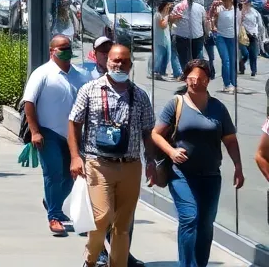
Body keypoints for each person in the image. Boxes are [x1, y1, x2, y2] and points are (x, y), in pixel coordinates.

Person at [67, 42, 156, 267]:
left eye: (124, 61)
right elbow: (74, 123)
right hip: (99, 164)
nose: (119, 64)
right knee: (101, 217)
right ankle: (91, 260)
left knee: (123, 226)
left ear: (131, 65)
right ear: (107, 62)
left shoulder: (140, 95)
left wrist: (152, 161)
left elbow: (148, 131)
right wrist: (75, 157)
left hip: (130, 165)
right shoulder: (90, 89)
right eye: (115, 60)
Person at [150, 59, 243, 267]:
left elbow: (230, 140)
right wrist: (171, 152)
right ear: (185, 78)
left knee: (205, 225)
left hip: (211, 175)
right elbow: (156, 134)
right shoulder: (176, 103)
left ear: (208, 81)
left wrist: (238, 167)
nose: (195, 82)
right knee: (189, 218)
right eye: (191, 78)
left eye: (200, 79)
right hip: (181, 174)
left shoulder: (218, 108)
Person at [20, 33, 89, 236]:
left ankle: (53, 201)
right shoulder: (42, 74)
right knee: (53, 174)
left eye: (68, 47)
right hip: (48, 133)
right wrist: (35, 132)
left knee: (72, 174)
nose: (66, 51)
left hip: (74, 135)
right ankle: (54, 216)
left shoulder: (80, 75)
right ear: (52, 51)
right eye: (62, 48)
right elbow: (29, 103)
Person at [208, 0, 239, 92]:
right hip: (221, 36)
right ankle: (227, 84)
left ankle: (234, 83)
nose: (226, 0)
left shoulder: (236, 10)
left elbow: (239, 23)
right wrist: (214, 24)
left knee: (233, 61)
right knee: (226, 61)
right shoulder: (219, 9)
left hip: (232, 37)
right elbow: (213, 21)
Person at [174, 0, 207, 69]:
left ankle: (189, 73)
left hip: (189, 36)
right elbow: (205, 22)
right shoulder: (199, 7)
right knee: (195, 57)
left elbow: (172, 21)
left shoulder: (179, 7)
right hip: (192, 36)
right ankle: (194, 73)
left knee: (185, 58)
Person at [153, 0, 183, 81]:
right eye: (167, 6)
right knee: (160, 56)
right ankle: (156, 72)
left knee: (167, 56)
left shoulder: (165, 15)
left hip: (166, 38)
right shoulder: (158, 15)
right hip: (160, 39)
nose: (168, 8)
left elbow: (170, 22)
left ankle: (161, 72)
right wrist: (166, 17)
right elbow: (163, 25)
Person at [239, 0, 261, 77]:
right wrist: (242, 13)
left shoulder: (255, 12)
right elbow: (238, 23)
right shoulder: (239, 12)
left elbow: (259, 24)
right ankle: (242, 63)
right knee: (246, 54)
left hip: (253, 35)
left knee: (254, 54)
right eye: (243, 3)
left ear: (250, 3)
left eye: (246, 3)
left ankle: (253, 71)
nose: (245, 5)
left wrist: (260, 35)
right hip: (243, 36)